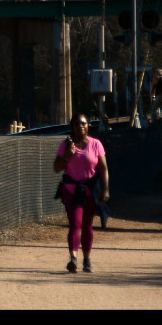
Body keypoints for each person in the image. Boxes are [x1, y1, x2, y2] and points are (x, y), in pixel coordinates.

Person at [53, 113, 109, 273]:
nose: (80, 126)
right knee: (75, 224)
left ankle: (87, 259)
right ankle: (73, 258)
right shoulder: (66, 145)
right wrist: (66, 157)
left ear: (88, 126)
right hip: (71, 190)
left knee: (87, 226)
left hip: (90, 189)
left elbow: (103, 169)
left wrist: (105, 189)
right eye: (77, 124)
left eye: (83, 123)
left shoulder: (96, 144)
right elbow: (56, 168)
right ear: (72, 127)